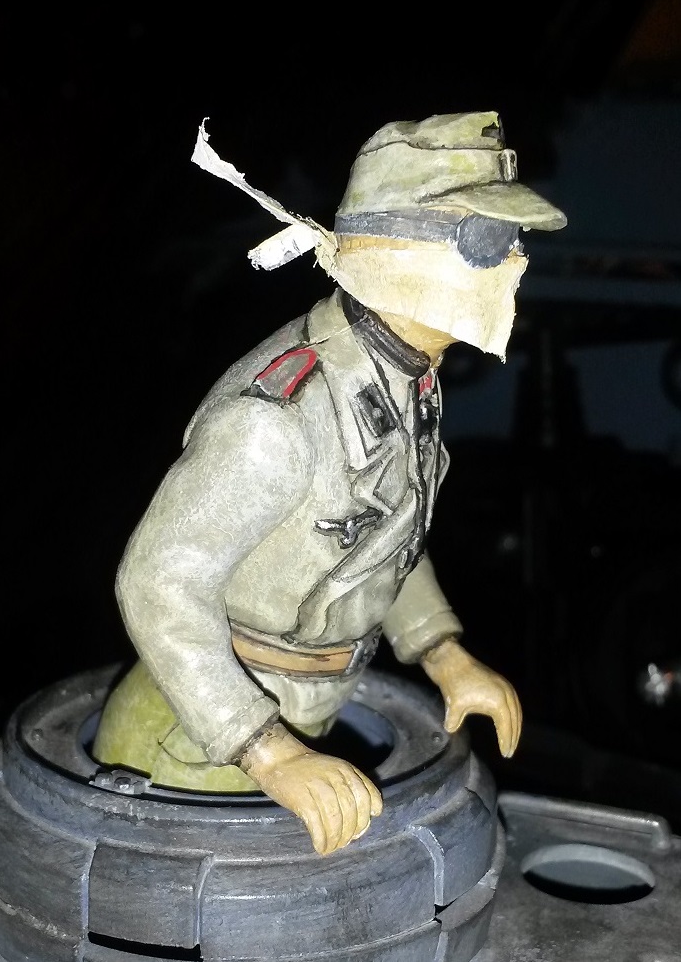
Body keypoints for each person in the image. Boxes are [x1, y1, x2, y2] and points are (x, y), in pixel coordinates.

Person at [93, 112, 567, 856]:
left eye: (513, 241)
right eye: (486, 241)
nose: (514, 263)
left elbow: (383, 537)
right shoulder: (279, 419)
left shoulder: (406, 380)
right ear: (389, 249)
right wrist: (267, 751)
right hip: (193, 748)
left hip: (305, 716)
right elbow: (158, 582)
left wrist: (441, 651)